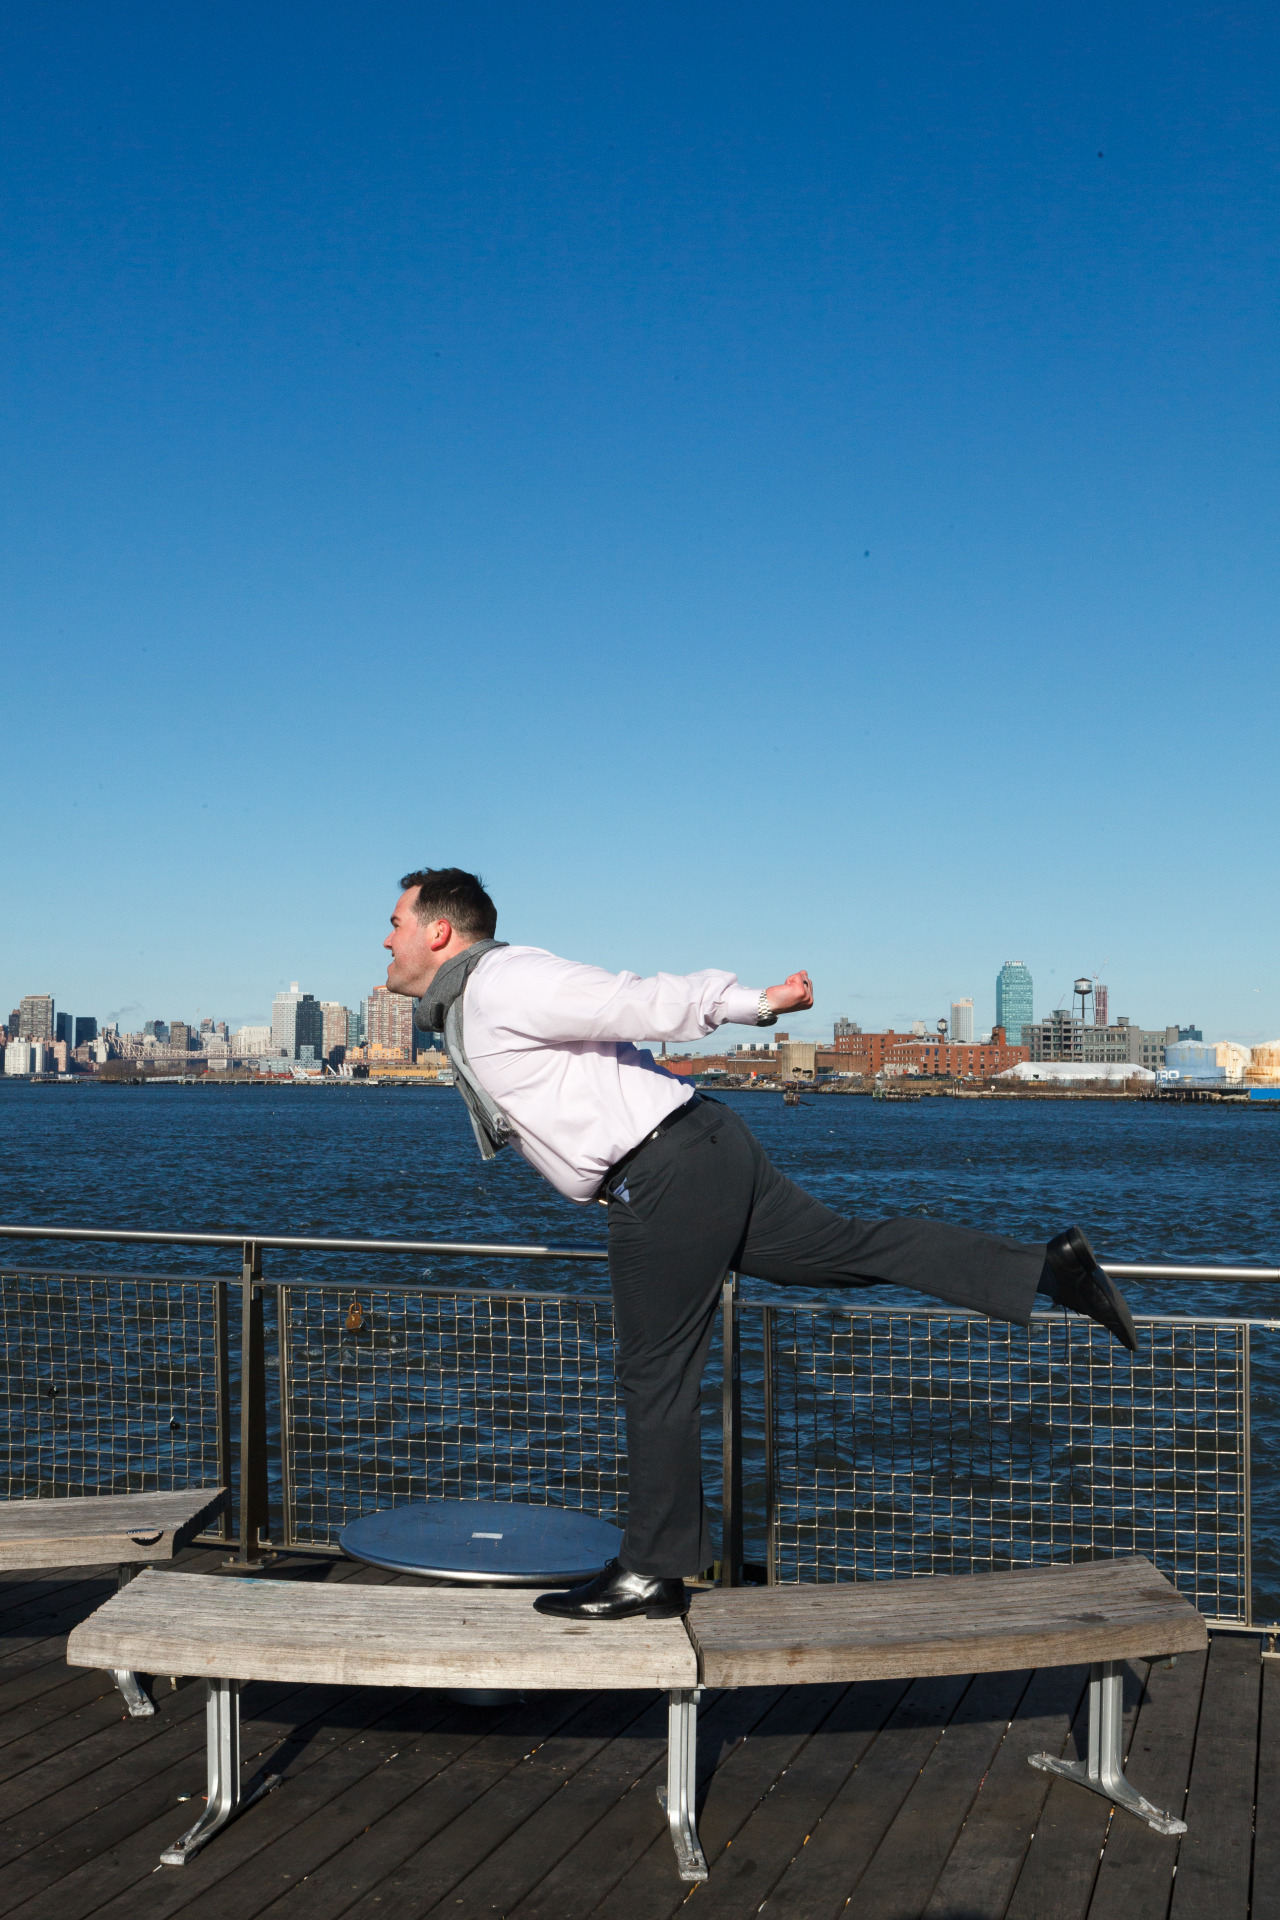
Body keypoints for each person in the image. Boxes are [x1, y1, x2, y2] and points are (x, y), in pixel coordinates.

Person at [384, 866, 1138, 1624]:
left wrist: (755, 1003)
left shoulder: (501, 982)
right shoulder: (470, 1004)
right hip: (699, 1148)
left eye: (396, 923)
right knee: (847, 1250)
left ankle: (652, 1569)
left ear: (439, 932)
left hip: (663, 1171)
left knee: (655, 1375)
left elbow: (634, 998)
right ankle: (1047, 1269)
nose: (386, 939)